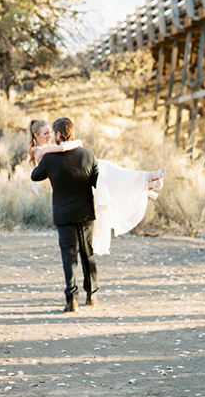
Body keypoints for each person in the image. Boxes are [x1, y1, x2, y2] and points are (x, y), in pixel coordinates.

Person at [30, 117, 166, 312]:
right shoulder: (88, 154)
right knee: (87, 254)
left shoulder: (50, 159)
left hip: (63, 214)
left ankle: (71, 299)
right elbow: (98, 182)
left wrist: (42, 154)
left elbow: (35, 176)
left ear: (58, 134)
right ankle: (92, 295)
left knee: (68, 256)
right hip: (85, 212)